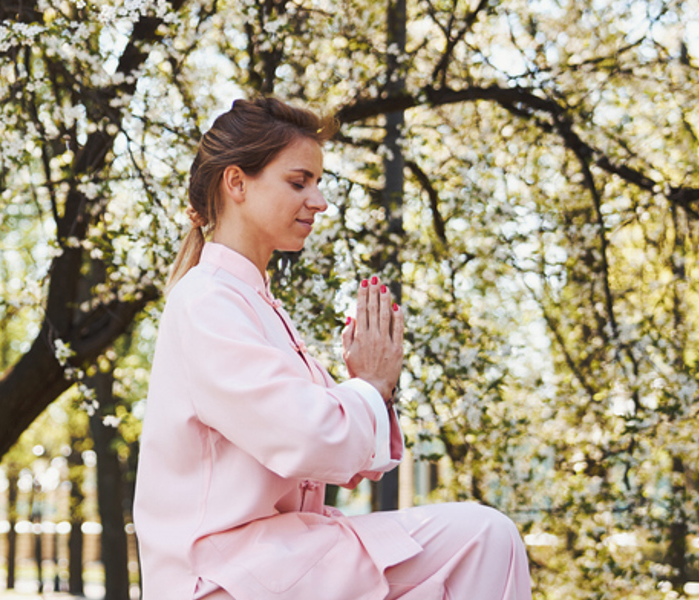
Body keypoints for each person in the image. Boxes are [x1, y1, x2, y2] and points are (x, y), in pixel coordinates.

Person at [132, 97, 532, 600]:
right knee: (482, 538)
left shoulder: (255, 306)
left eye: (318, 184)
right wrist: (370, 385)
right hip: (224, 576)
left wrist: (371, 390)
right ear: (237, 183)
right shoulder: (206, 301)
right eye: (299, 182)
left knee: (482, 540)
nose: (319, 201)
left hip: (280, 562)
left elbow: (346, 456)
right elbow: (310, 437)